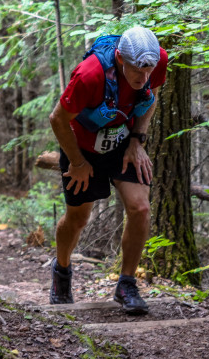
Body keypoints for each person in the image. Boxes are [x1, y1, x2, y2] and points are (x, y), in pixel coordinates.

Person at [48, 26, 168, 315]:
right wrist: (78, 162)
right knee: (77, 218)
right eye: (136, 71)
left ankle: (126, 284)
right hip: (82, 146)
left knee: (140, 208)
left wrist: (137, 141)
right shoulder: (89, 75)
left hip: (122, 143)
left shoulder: (159, 61)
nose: (143, 78)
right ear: (119, 58)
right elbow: (57, 119)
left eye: (148, 70)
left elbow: (152, 94)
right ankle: (62, 270)